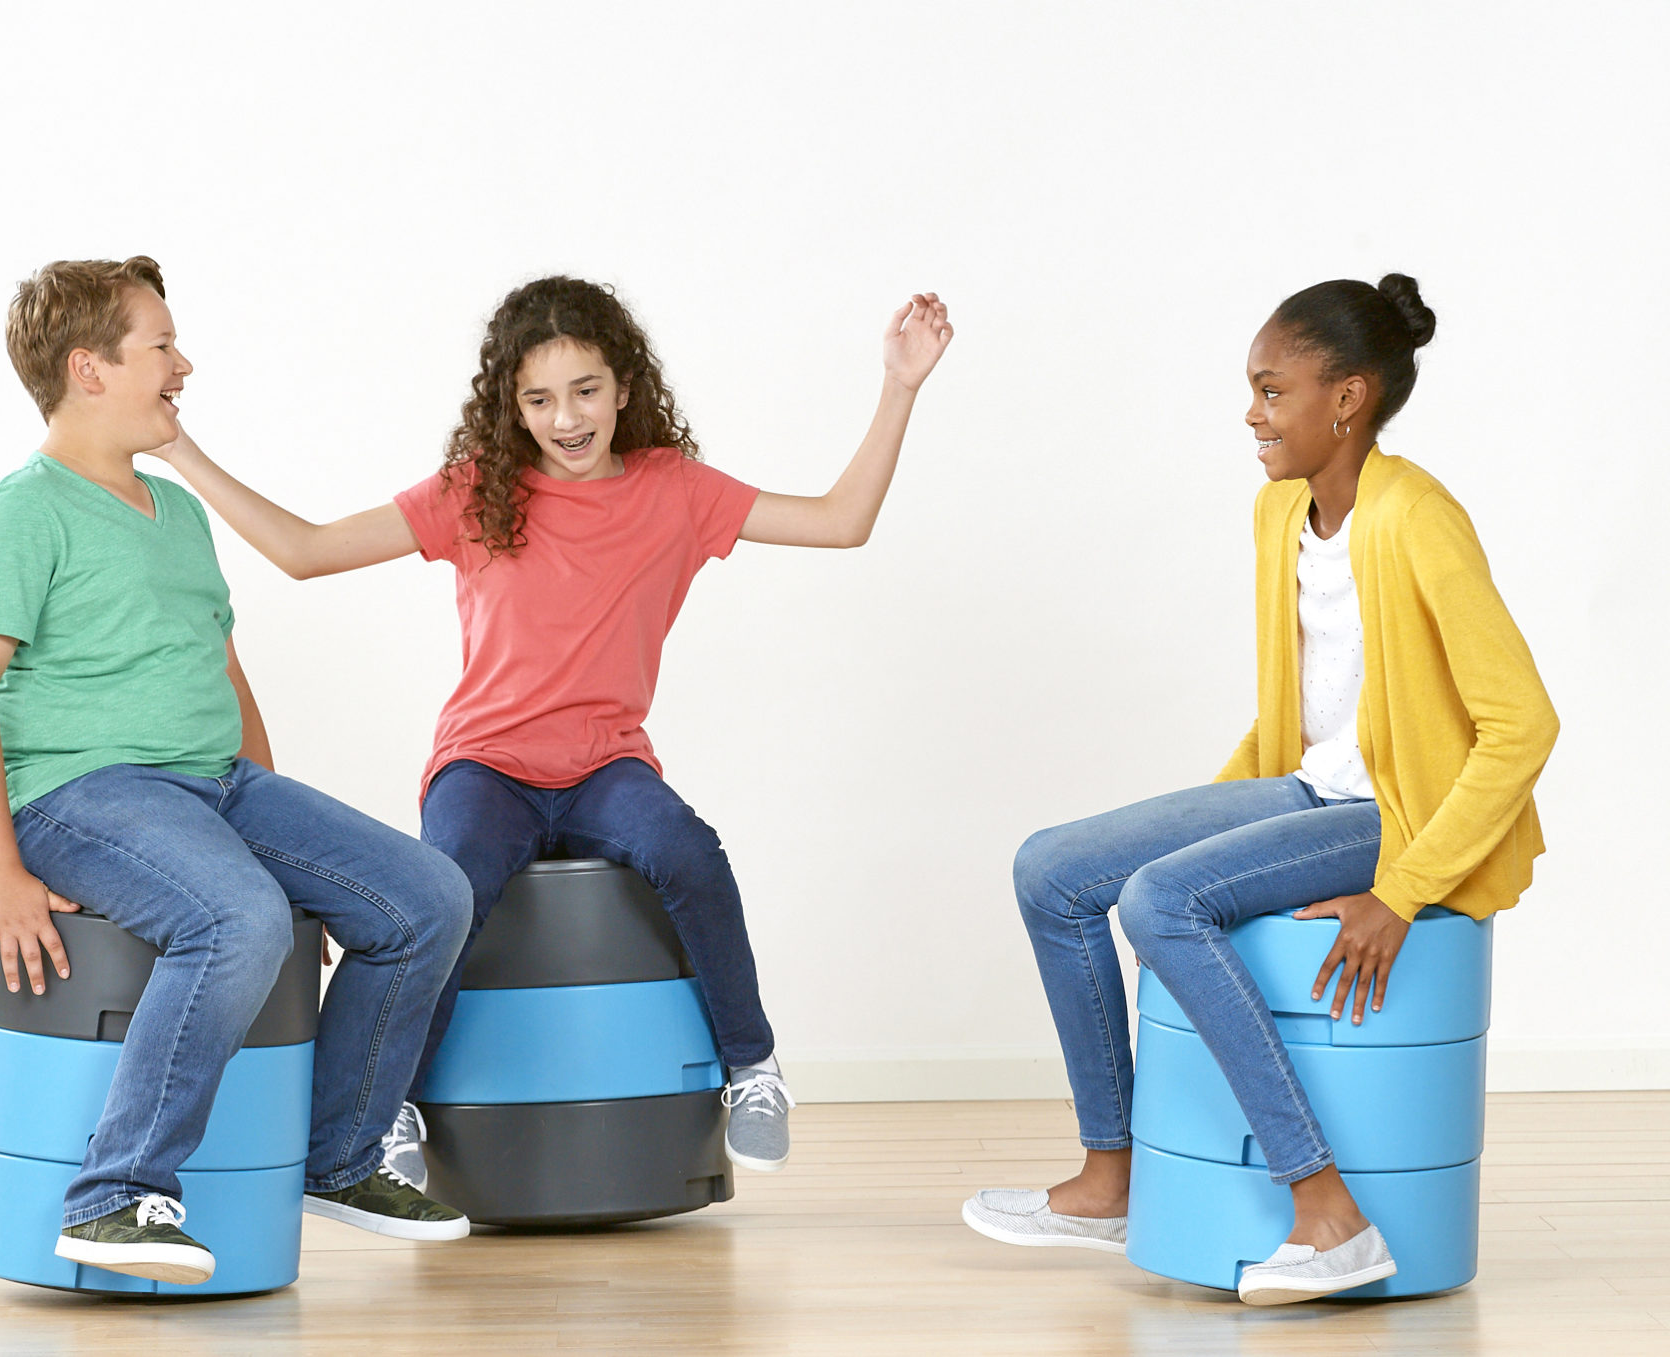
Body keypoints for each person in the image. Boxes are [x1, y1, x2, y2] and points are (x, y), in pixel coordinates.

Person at [152, 276, 954, 1182]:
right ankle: (393, 1104)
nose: (566, 418)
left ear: (623, 387)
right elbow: (304, 552)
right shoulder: (478, 492)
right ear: (512, 405)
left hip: (606, 763)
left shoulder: (675, 491)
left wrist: (899, 386)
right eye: (538, 398)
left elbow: (841, 522)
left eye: (584, 391)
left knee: (684, 847)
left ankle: (752, 1065)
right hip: (484, 764)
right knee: (444, 889)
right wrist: (181, 449)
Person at [959, 275, 1558, 1304]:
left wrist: (1404, 890)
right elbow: (1306, 717)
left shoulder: (1418, 519)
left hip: (1391, 817)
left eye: (1271, 390)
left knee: (1157, 901)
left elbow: (1520, 724)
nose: (1251, 412)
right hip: (1309, 788)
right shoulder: (1279, 512)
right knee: (1050, 870)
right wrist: (1212, 821)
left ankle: (1327, 1213)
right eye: (1251, 389)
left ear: (1346, 399)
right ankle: (1112, 1176)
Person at [0, 256, 475, 1286]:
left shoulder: (176, 514)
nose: (185, 363)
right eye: (161, 345)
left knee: (426, 895)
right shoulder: (18, 513)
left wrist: (283, 837)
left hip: (216, 783)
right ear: (89, 369)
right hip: (82, 794)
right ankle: (113, 1196)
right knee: (237, 921)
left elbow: (223, 672)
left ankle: (341, 1156)